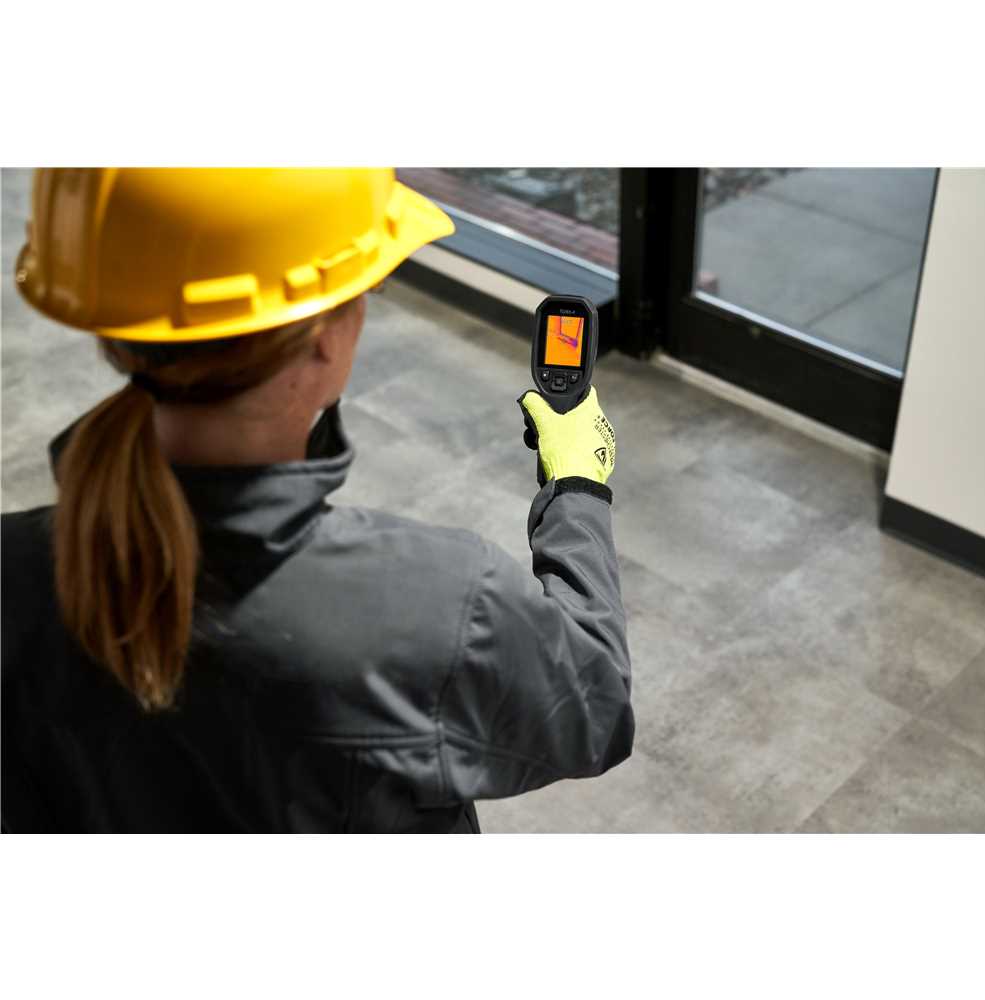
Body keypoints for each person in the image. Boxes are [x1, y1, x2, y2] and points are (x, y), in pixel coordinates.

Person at [1, 168, 633, 833]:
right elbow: (597, 710)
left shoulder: (13, 572)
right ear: (325, 338)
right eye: (365, 290)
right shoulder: (442, 605)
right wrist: (577, 488)